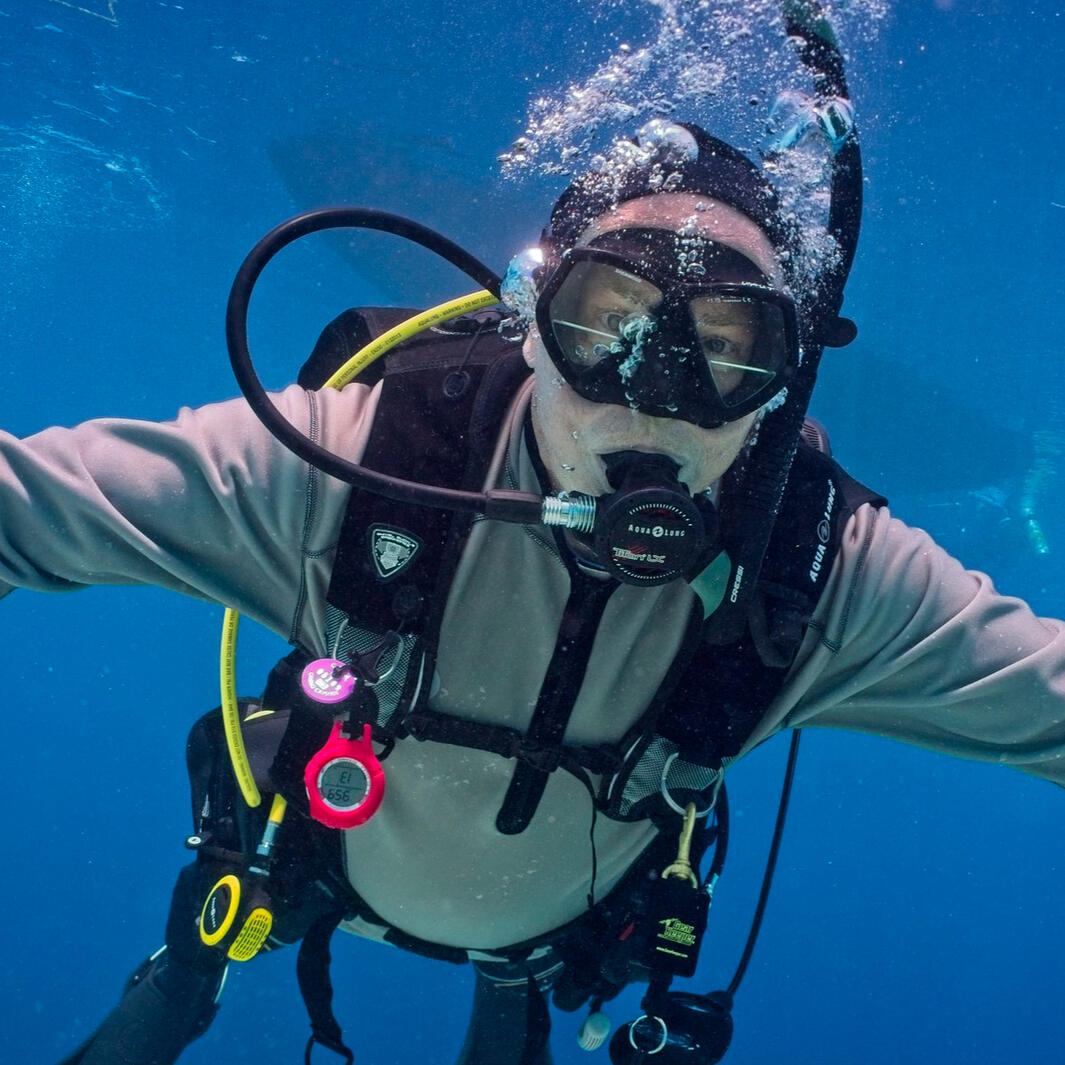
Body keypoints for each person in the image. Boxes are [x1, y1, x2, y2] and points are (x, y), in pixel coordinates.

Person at [3, 83, 1064, 1065]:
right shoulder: (364, 463)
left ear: (782, 384)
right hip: (308, 857)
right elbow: (28, 506)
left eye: (727, 347)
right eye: (607, 323)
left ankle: (507, 977)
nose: (649, 396)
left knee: (524, 975)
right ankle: (191, 973)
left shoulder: (814, 566)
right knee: (221, 908)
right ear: (532, 325)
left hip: (561, 923)